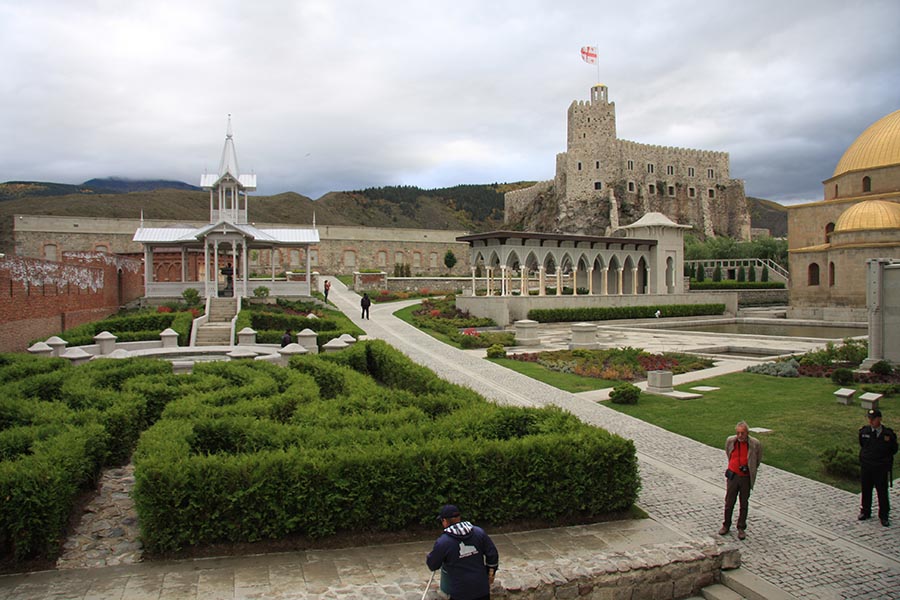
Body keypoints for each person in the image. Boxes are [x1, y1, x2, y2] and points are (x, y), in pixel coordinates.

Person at [426, 505, 498, 600]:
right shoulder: (478, 533)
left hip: (460, 592)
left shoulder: (443, 542)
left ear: (445, 521)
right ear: (459, 518)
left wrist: (430, 557)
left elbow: (433, 565)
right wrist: (490, 573)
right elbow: (492, 555)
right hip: (481, 589)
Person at [718, 421, 762, 540]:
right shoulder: (730, 441)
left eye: (742, 433)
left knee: (744, 503)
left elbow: (757, 460)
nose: (740, 436)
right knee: (729, 502)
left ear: (747, 433)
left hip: (745, 477)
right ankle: (726, 525)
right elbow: (728, 453)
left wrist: (748, 468)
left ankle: (741, 527)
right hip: (733, 476)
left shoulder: (754, 444)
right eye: (738, 433)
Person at [858, 408, 898, 527]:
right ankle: (865, 511)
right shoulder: (864, 432)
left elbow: (893, 449)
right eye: (869, 419)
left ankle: (884, 515)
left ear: (879, 419)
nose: (870, 421)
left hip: (880, 468)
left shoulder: (888, 434)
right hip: (867, 466)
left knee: (882, 491)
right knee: (866, 489)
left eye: (873, 419)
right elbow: (862, 444)